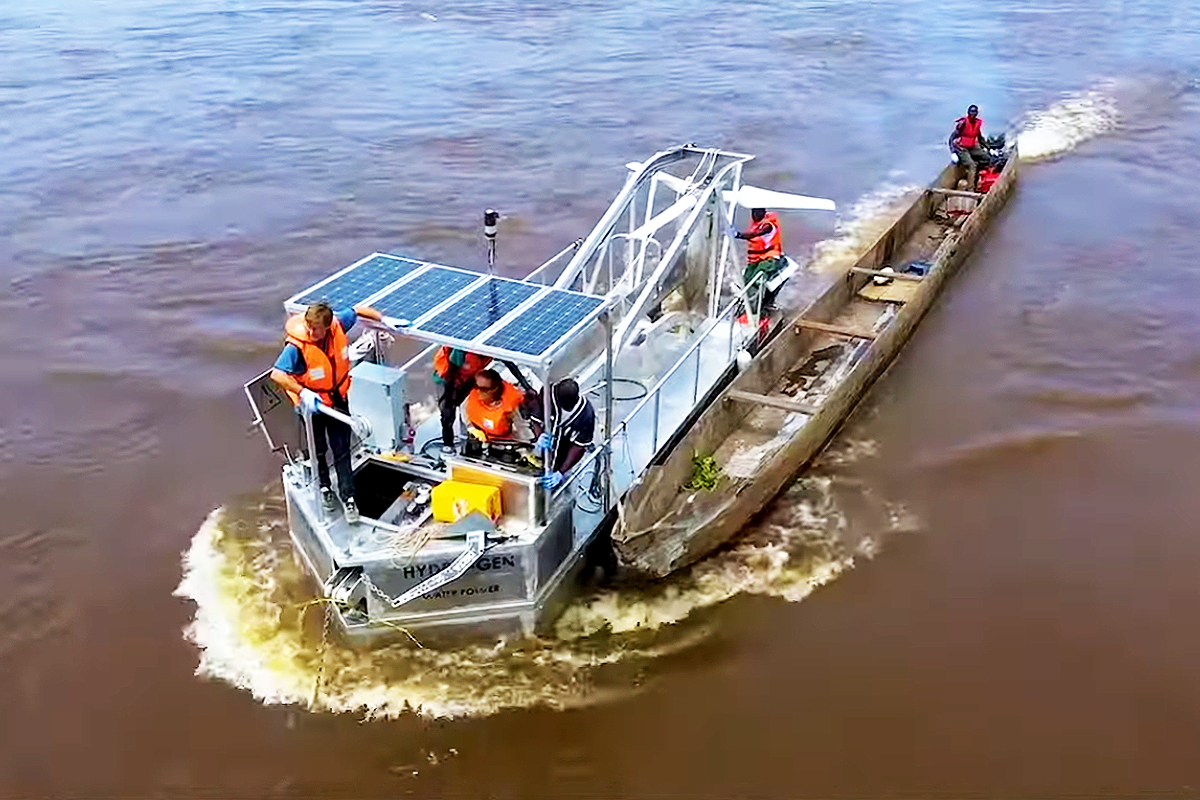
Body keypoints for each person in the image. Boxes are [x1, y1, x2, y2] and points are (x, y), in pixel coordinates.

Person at [269, 301, 383, 523]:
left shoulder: (338, 324)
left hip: (337, 399)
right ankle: (324, 488)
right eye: (309, 327)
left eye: (316, 329)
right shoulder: (296, 347)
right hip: (313, 406)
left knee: (341, 449)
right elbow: (278, 374)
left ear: (327, 327)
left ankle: (349, 498)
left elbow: (358, 310)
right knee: (318, 450)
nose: (311, 333)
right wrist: (303, 393)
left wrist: (383, 319)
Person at [527, 378, 596, 490]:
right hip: (543, 449)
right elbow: (536, 417)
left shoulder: (586, 414)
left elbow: (579, 446)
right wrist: (539, 435)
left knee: (561, 490)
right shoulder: (548, 394)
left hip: (564, 453)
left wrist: (560, 472)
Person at [432, 346, 490, 452]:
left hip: (467, 378)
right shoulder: (461, 351)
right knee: (447, 415)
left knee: (469, 410)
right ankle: (448, 444)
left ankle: (470, 440)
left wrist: (526, 386)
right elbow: (450, 373)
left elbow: (508, 363)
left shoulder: (489, 350)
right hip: (447, 380)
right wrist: (449, 401)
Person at [732, 207, 784, 313]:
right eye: (753, 212)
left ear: (763, 212)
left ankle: (755, 311)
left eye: (757, 212)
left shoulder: (768, 225)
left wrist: (738, 235)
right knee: (746, 280)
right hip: (756, 259)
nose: (754, 215)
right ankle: (747, 305)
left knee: (756, 281)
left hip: (769, 258)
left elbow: (755, 234)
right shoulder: (756, 222)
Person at [461, 368, 526, 442]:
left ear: (495, 389)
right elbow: (463, 411)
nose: (479, 392)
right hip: (479, 439)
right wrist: (472, 429)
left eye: (484, 389)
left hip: (505, 442)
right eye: (477, 387)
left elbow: (523, 431)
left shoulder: (513, 404)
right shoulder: (473, 396)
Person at [949, 104, 987, 191]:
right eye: (971, 112)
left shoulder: (977, 123)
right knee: (972, 165)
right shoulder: (962, 123)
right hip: (961, 148)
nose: (973, 114)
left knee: (987, 158)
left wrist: (988, 147)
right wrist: (953, 152)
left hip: (972, 146)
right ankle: (971, 189)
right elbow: (952, 138)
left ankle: (977, 176)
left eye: (975, 112)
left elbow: (979, 137)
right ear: (968, 113)